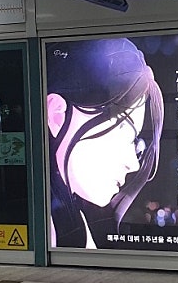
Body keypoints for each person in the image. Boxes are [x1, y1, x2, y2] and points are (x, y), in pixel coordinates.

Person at [46, 38, 164, 249]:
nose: (134, 164)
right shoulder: (47, 225)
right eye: (123, 133)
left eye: (134, 142)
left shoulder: (71, 223)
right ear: (56, 114)